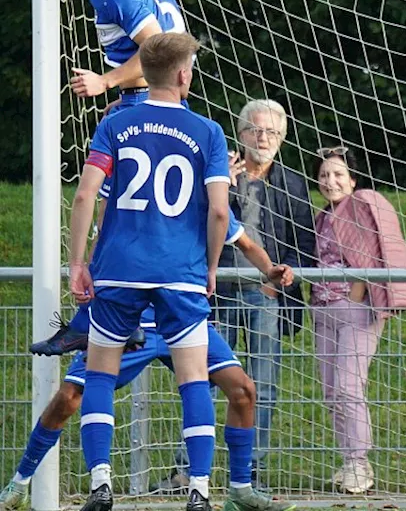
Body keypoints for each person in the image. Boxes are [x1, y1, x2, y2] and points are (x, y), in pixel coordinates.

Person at [0, 218, 297, 511]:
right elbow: (99, 238)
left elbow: (239, 237)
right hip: (130, 320)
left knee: (243, 389)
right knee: (69, 397)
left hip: (181, 317)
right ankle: (20, 483)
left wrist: (269, 269)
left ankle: (241, 491)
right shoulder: (126, 192)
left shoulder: (198, 196)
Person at [69, 32, 227, 511]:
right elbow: (219, 211)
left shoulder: (116, 123)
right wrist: (211, 269)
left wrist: (78, 263)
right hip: (180, 271)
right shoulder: (208, 131)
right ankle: (198, 489)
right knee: (193, 379)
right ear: (183, 75)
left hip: (118, 268)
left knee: (99, 375)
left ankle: (101, 482)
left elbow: (83, 195)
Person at [28, 0, 188, 357]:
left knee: (103, 209)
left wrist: (107, 82)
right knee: (115, 213)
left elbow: (160, 48)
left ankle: (104, 318)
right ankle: (112, 318)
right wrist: (123, 94)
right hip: (153, 105)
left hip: (146, 110)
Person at [154, 99, 316, 492]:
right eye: (255, 130)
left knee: (262, 381)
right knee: (203, 379)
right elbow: (198, 218)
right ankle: (188, 469)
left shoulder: (293, 183)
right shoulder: (217, 173)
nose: (263, 138)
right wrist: (223, 181)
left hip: (266, 295)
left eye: (271, 132)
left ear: (282, 138)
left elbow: (304, 240)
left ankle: (251, 469)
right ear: (240, 135)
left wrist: (279, 277)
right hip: (216, 291)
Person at [312, 147, 406, 494]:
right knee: (331, 391)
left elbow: (373, 251)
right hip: (323, 313)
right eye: (324, 175)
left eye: (338, 174)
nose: (330, 181)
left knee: (349, 387)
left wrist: (356, 292)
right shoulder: (322, 215)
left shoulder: (363, 205)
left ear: (352, 180)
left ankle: (359, 464)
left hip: (356, 311)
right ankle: (347, 460)